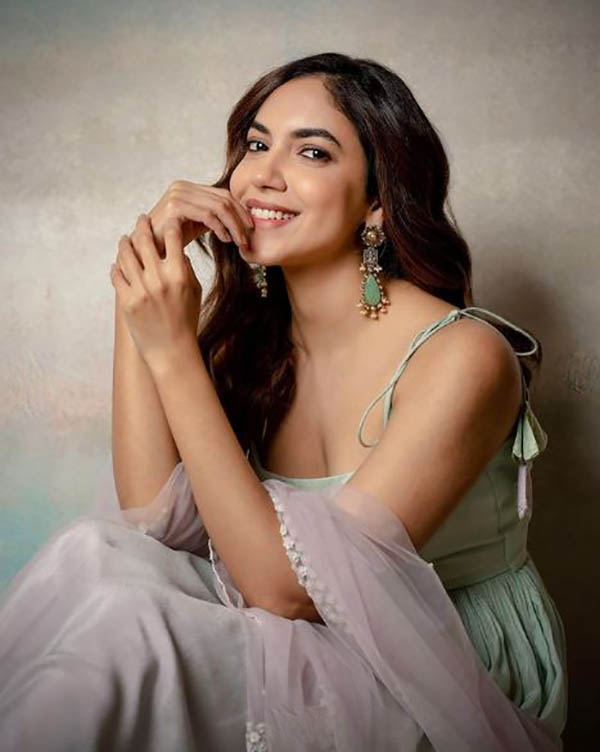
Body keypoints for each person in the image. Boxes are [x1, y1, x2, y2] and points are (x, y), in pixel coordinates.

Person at [0, 52, 567, 751]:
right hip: (301, 631)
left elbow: (292, 592)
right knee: (95, 566)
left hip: (441, 665)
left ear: (378, 201)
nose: (262, 174)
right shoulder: (255, 345)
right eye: (256, 144)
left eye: (312, 152)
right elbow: (151, 521)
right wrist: (143, 288)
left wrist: (173, 351)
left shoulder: (464, 357)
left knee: (128, 640)